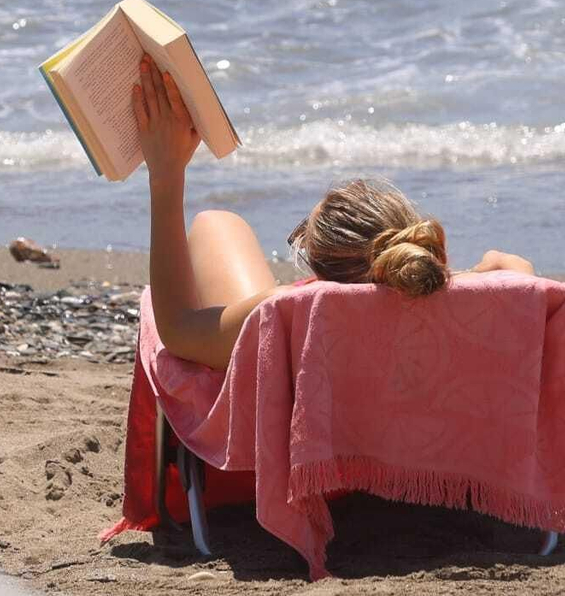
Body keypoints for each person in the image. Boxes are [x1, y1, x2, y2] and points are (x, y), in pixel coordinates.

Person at [132, 53, 535, 371]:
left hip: (317, 461)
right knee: (218, 224)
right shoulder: (482, 311)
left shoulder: (290, 316)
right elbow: (511, 265)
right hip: (443, 469)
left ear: (320, 273)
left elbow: (178, 329)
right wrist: (460, 277)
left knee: (215, 223)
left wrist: (165, 175)